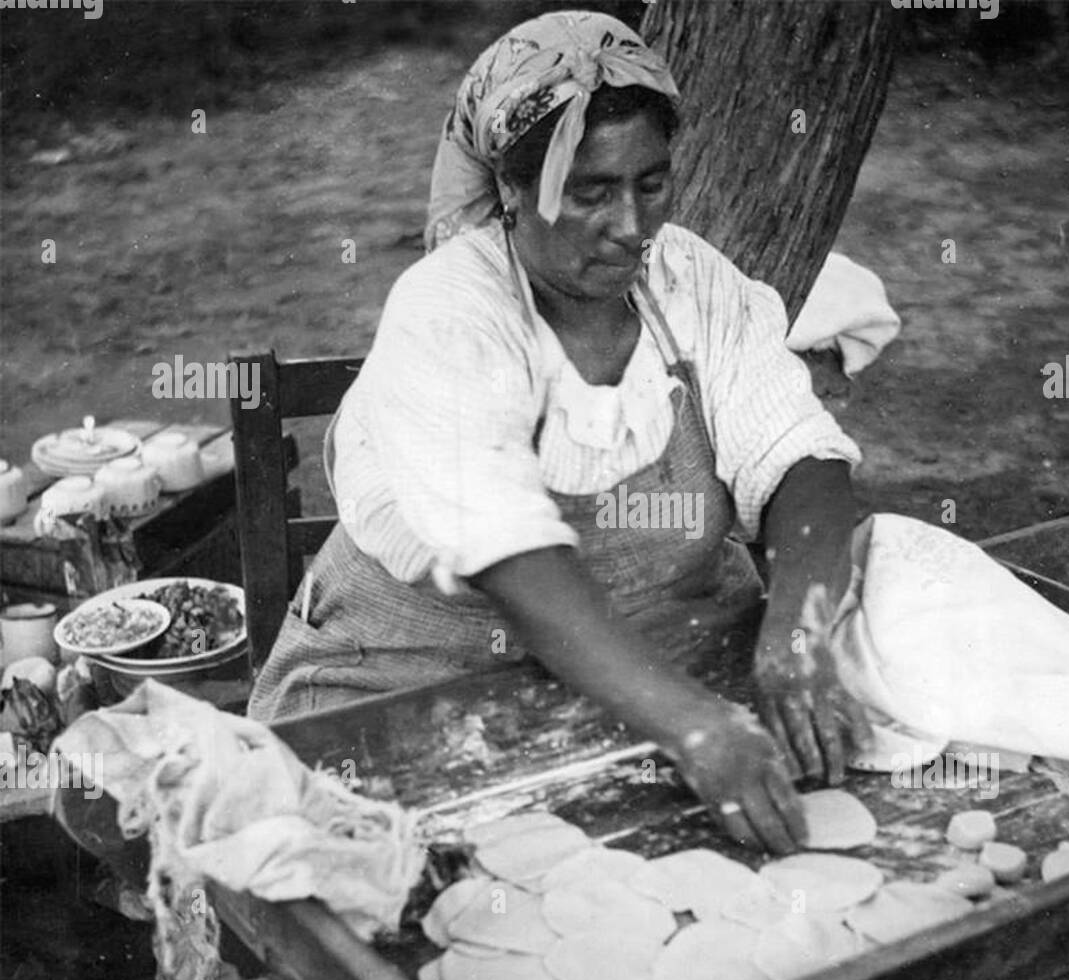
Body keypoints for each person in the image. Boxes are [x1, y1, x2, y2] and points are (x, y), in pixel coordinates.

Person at [247, 10, 874, 854]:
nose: (631, 226)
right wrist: (691, 727)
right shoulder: (451, 312)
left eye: (651, 184)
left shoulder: (691, 281)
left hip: (644, 675)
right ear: (512, 188)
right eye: (589, 193)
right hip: (410, 689)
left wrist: (800, 623)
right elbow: (509, 550)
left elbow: (797, 453)